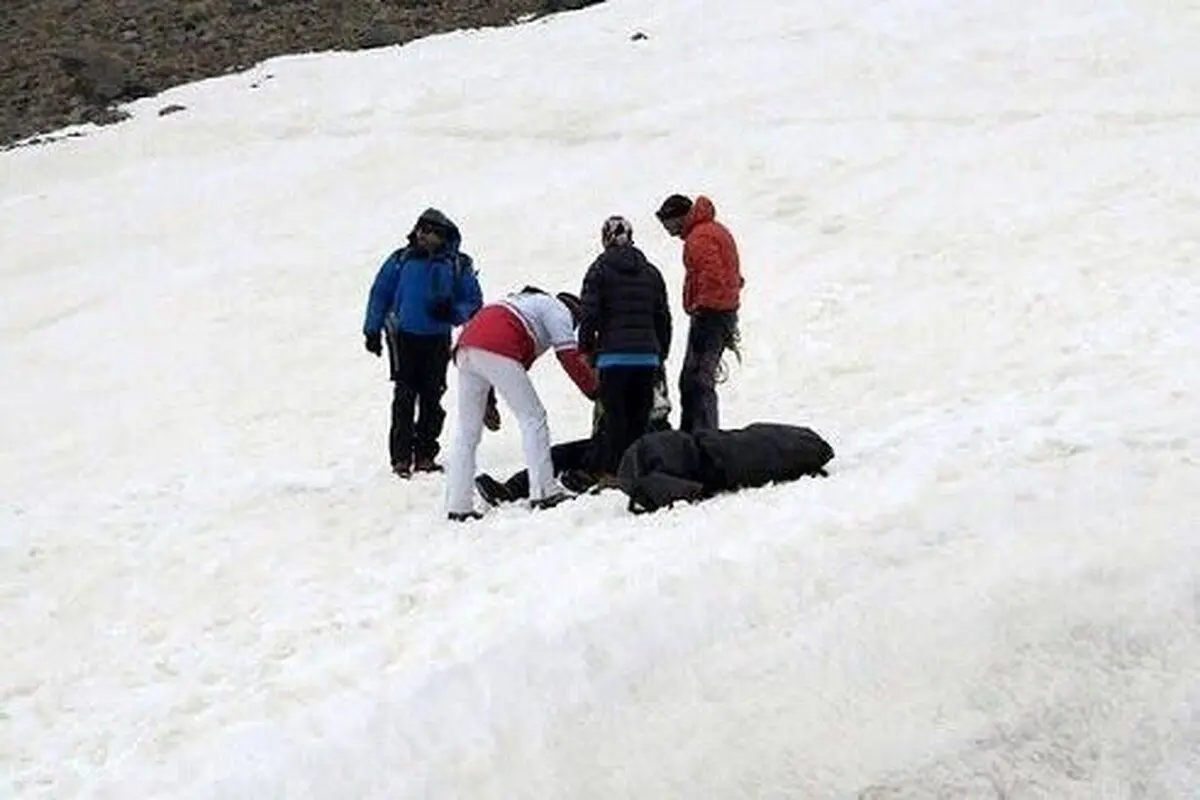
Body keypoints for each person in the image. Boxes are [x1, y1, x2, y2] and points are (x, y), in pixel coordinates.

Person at [444, 286, 598, 521]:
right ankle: (544, 491)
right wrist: (594, 390)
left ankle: (459, 505)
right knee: (533, 417)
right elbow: (568, 355)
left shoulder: (524, 305)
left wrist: (489, 401)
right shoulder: (557, 309)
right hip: (497, 345)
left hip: (466, 346)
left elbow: (498, 368)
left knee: (467, 433)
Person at [363, 208, 483, 478]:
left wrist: (453, 313)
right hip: (402, 337)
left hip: (437, 339)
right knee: (404, 396)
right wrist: (372, 330)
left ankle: (426, 454)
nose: (424, 235)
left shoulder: (458, 264)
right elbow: (380, 293)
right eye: (421, 229)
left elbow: (473, 301)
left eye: (431, 232)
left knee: (432, 396)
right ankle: (401, 459)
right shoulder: (400, 260)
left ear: (444, 237)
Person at [474, 372, 673, 505]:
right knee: (559, 453)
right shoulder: (611, 370)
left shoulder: (644, 371)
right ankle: (511, 489)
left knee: (594, 454)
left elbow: (656, 416)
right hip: (608, 441)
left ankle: (589, 478)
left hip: (637, 445)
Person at [577, 215, 672, 482]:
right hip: (647, 358)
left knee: (615, 418)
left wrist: (586, 349)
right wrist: (660, 353)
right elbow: (663, 316)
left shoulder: (598, 270)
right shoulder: (651, 272)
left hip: (613, 358)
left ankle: (613, 473)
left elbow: (589, 314)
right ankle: (640, 469)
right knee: (640, 418)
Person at [654, 193, 744, 433]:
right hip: (723, 312)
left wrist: (702, 307)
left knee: (696, 380)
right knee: (698, 379)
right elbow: (731, 274)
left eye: (667, 222)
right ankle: (701, 433)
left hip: (711, 315)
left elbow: (712, 274)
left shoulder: (699, 237)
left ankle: (700, 436)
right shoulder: (713, 231)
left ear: (679, 217)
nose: (667, 229)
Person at [618, 423, 835, 514]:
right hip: (713, 446)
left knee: (760, 450)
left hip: (716, 457)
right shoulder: (639, 458)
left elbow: (690, 491)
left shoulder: (637, 473)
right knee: (760, 445)